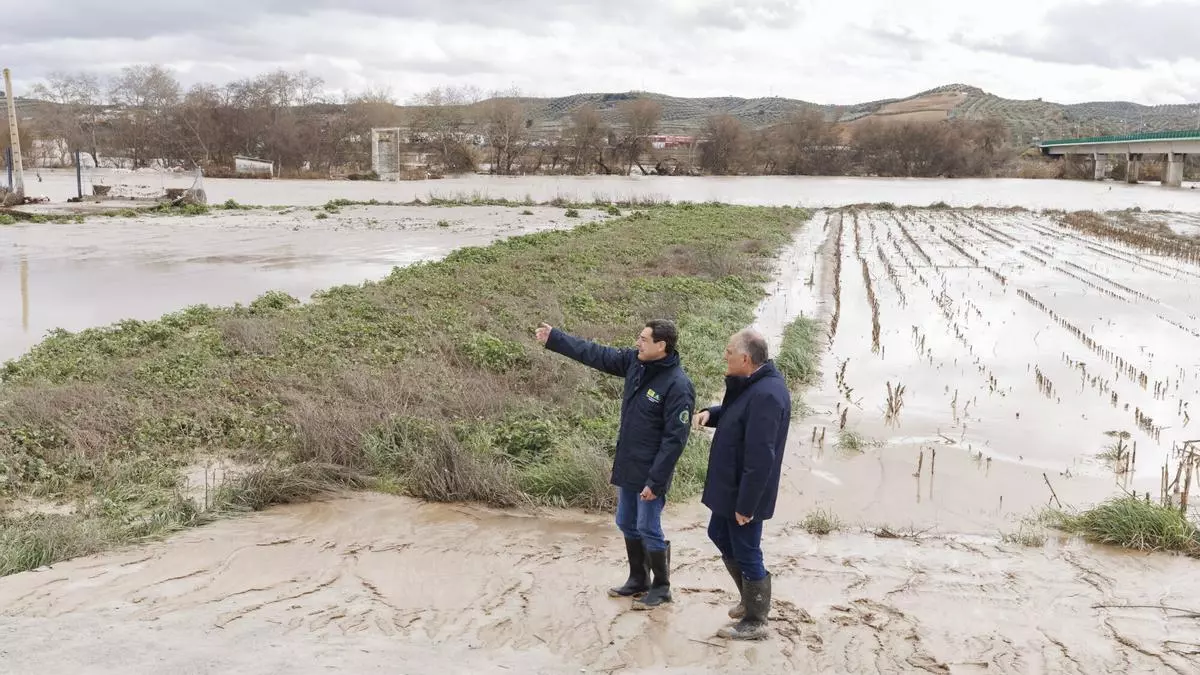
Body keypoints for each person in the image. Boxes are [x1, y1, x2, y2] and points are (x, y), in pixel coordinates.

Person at [535, 319, 695, 609]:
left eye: (644, 339)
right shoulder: (635, 363)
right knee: (625, 522)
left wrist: (656, 481)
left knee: (648, 526)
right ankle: (638, 579)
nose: (637, 343)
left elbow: (675, 441)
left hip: (651, 472)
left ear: (661, 345)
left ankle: (661, 587)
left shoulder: (678, 385)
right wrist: (555, 338)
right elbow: (595, 353)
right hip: (628, 463)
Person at [694, 328, 790, 640]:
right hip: (730, 486)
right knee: (718, 533)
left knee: (747, 549)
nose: (725, 356)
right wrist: (712, 414)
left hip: (745, 492)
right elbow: (738, 413)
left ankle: (756, 620)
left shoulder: (768, 395)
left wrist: (747, 505)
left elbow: (761, 457)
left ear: (745, 359)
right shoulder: (752, 384)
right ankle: (749, 599)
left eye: (729, 352)